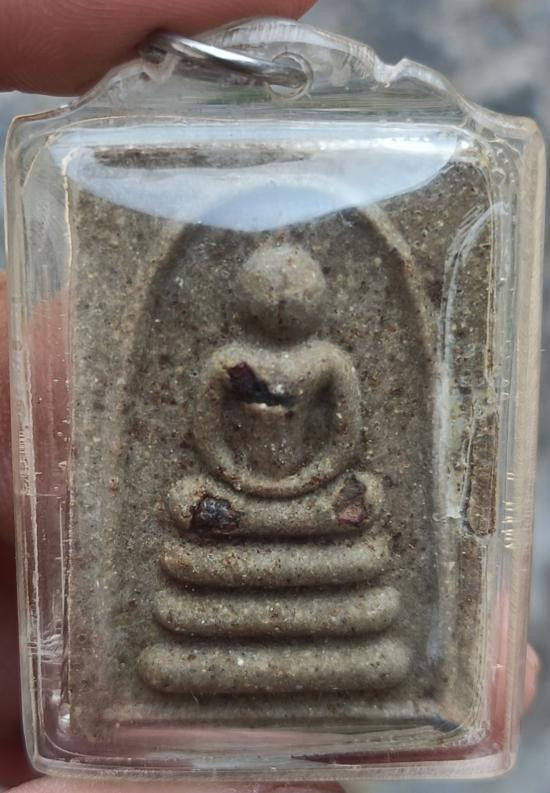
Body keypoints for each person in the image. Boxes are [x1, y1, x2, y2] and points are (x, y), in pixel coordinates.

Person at [0, 1, 538, 790]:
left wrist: (310, 481)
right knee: (187, 505)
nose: (281, 300)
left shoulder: (329, 359)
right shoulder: (228, 361)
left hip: (312, 496)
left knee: (360, 515)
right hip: (237, 495)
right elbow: (205, 435)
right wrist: (241, 480)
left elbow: (345, 436)